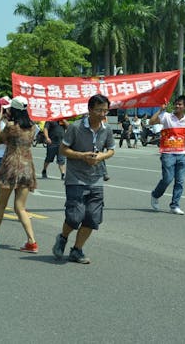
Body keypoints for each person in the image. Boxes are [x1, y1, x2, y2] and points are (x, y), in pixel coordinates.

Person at [52, 94, 115, 264]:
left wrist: (101, 156)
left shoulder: (106, 129)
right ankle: (63, 237)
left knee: (93, 218)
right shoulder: (76, 127)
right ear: (89, 110)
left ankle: (77, 250)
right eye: (99, 110)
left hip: (96, 180)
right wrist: (82, 156)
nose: (103, 114)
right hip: (76, 179)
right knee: (74, 217)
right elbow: (63, 150)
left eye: (105, 110)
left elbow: (111, 150)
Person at [0, 96, 38, 252]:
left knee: (1, 204)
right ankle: (32, 241)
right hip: (27, 168)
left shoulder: (11, 126)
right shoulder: (33, 127)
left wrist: (1, 120)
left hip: (11, 167)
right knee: (20, 207)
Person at [149, 95, 185, 215]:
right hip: (168, 154)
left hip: (181, 154)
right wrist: (160, 110)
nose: (177, 106)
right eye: (176, 104)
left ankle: (175, 205)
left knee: (180, 181)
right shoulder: (166, 116)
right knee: (167, 179)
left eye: (180, 104)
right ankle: (155, 195)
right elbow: (151, 122)